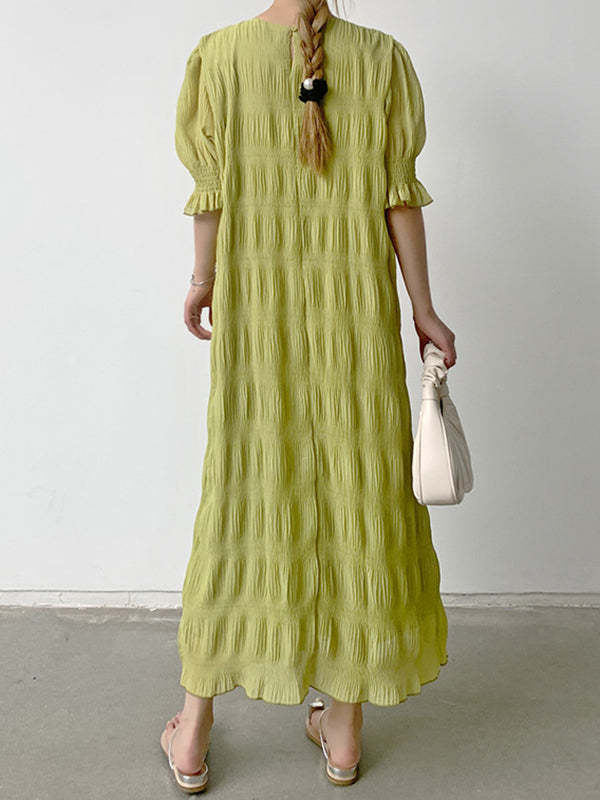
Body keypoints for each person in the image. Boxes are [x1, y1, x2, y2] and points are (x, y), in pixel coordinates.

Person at [161, 0, 457, 790]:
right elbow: (399, 198)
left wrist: (202, 280)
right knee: (359, 498)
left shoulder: (220, 57)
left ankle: (191, 734)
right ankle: (345, 733)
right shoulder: (382, 58)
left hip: (258, 322)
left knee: (243, 497)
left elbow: (211, 195)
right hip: (355, 325)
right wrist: (424, 310)